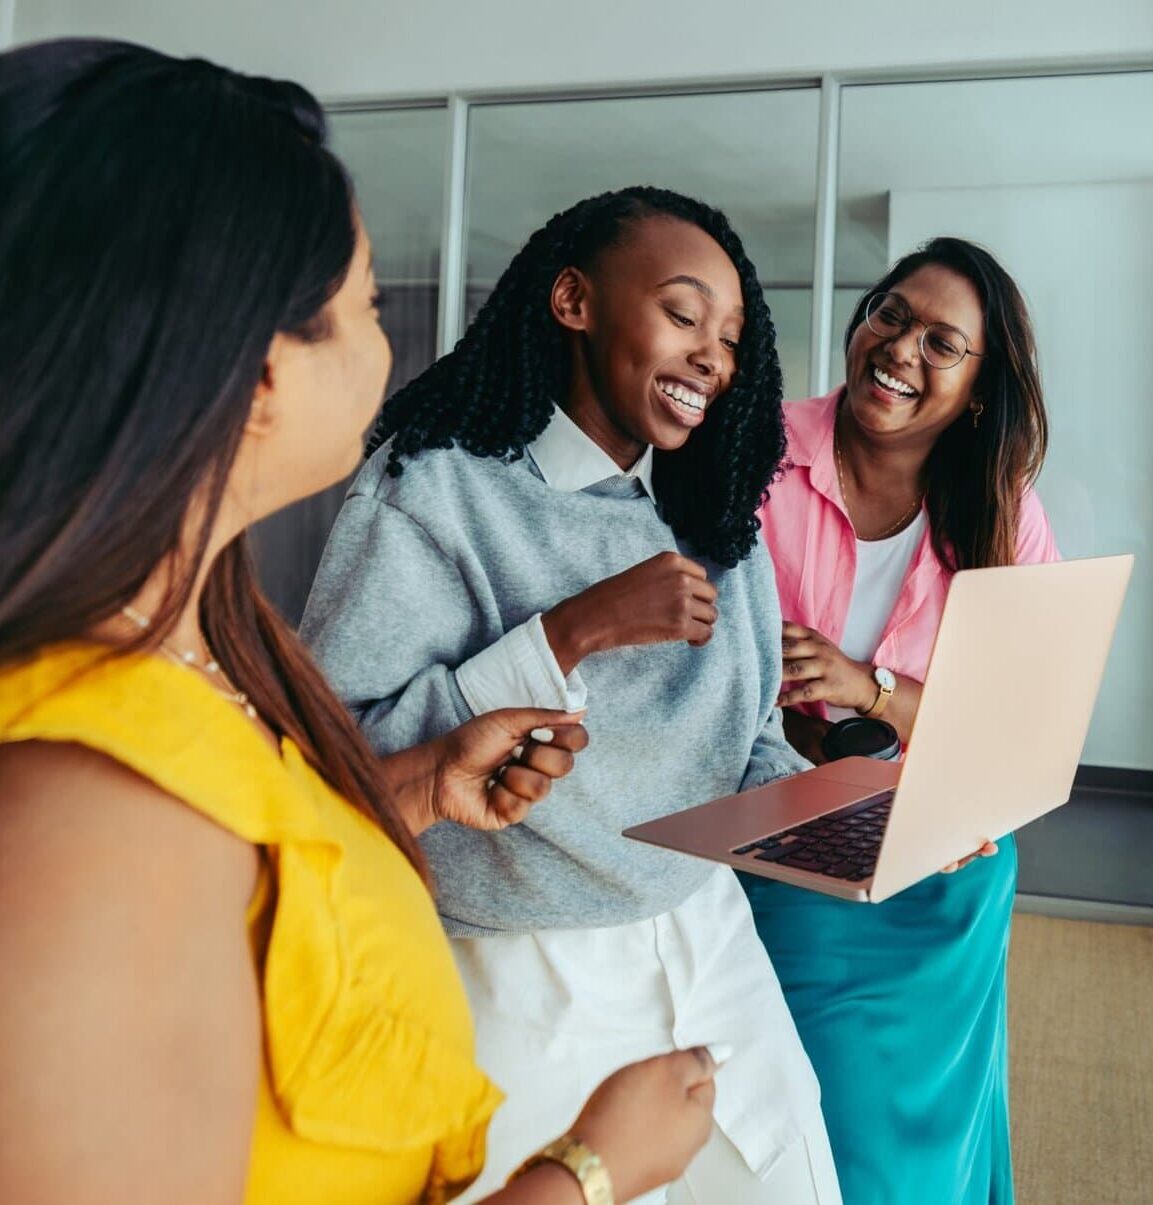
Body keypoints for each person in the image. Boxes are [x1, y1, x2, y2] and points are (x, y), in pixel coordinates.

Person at [0, 40, 718, 1205]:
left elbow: (251, 872)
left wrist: (421, 781)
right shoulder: (87, 829)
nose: (391, 347)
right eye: (367, 303)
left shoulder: (214, 642)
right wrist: (585, 1171)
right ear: (256, 375)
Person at [299, 186, 840, 1203]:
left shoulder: (718, 518)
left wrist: (847, 821)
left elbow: (749, 743)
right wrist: (570, 630)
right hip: (519, 969)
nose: (711, 359)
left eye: (727, 338)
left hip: (711, 943)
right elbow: (344, 753)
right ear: (573, 299)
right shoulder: (433, 487)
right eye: (683, 315)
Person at [748, 237, 1059, 1204]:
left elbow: (1018, 727)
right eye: (890, 314)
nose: (900, 349)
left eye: (941, 342)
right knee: (823, 1124)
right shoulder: (754, 452)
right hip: (792, 842)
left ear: (977, 385)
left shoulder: (1005, 512)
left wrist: (864, 687)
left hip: (946, 863)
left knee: (936, 1125)